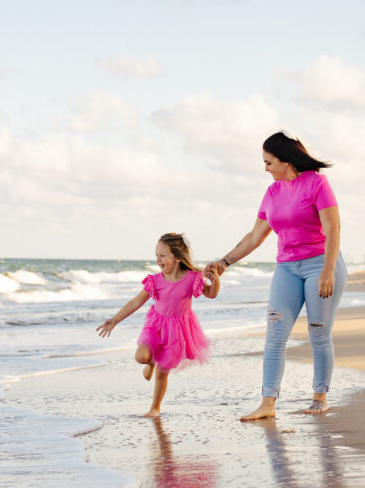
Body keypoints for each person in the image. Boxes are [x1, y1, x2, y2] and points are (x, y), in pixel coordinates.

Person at [205, 131, 347, 419]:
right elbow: (256, 234)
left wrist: (328, 270)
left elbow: (333, 228)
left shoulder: (317, 183)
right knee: (275, 334)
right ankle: (267, 403)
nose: (266, 169)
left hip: (321, 263)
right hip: (287, 268)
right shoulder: (272, 193)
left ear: (285, 161)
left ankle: (320, 396)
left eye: (269, 163)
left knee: (318, 332)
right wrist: (224, 262)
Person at [97, 233, 220, 417]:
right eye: (156, 255)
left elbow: (211, 294)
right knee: (141, 357)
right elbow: (135, 302)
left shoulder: (192, 278)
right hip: (156, 325)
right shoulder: (155, 281)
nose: (158, 260)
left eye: (162, 255)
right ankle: (150, 362)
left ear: (178, 257)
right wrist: (114, 320)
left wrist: (216, 278)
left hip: (178, 329)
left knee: (163, 372)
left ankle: (155, 408)